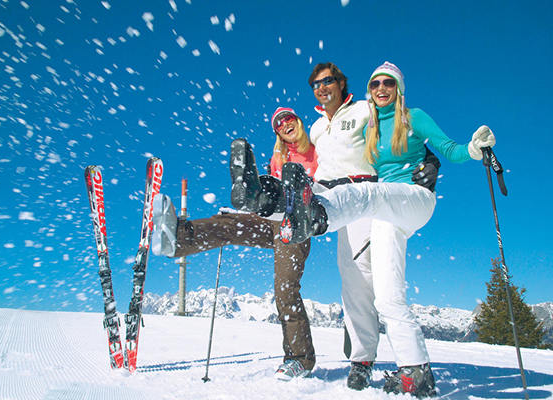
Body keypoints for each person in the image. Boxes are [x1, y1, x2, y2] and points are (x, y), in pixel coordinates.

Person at [279, 61, 496, 397]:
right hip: (376, 209)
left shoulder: (406, 115)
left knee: (367, 194)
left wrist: (462, 152)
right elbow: (325, 156)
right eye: (376, 84)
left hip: (403, 197)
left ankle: (316, 217)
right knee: (385, 294)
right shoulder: (364, 126)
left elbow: (444, 148)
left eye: (389, 83)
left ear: (398, 88)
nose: (381, 88)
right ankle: (415, 371)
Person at [151, 107, 318, 380]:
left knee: (285, 289)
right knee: (228, 223)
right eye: (278, 124)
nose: (285, 125)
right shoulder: (278, 158)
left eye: (288, 119)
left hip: (296, 224)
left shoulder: (318, 150)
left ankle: (299, 359)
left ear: (298, 121)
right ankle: (177, 238)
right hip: (271, 219)